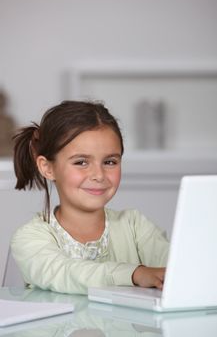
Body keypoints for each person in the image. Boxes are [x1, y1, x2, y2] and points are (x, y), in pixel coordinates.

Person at [11, 100, 169, 294]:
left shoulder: (135, 226)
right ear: (47, 168)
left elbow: (179, 268)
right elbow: (66, 273)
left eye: (110, 162)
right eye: (81, 162)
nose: (99, 175)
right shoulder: (30, 238)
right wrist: (134, 274)